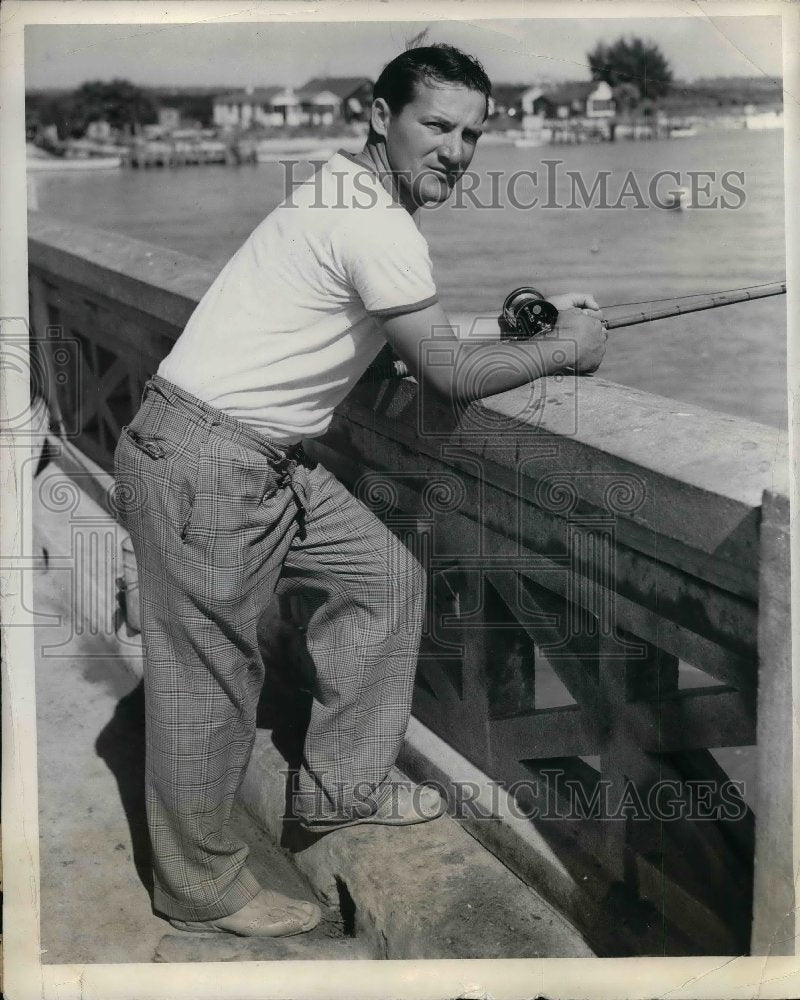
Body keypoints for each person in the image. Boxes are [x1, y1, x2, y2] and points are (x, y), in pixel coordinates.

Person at [113, 43, 607, 939]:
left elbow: (395, 339)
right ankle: (198, 890)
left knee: (386, 582)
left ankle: (341, 792)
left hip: (256, 458)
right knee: (211, 679)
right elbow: (447, 379)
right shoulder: (375, 221)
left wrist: (496, 336)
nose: (457, 150)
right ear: (381, 117)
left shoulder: (344, 193)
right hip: (209, 463)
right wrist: (566, 347)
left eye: (472, 134)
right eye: (438, 125)